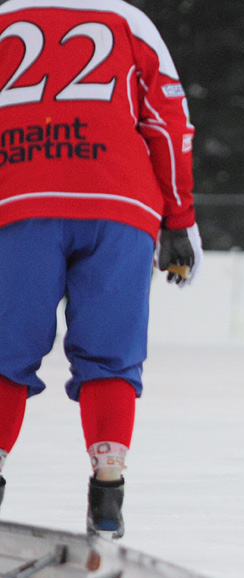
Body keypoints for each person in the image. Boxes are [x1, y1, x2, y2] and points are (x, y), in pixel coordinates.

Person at [0, 0, 201, 539]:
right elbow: (168, 120)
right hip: (120, 203)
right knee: (111, 353)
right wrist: (179, 219)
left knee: (5, 351)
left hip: (20, 196)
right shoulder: (128, 19)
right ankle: (107, 496)